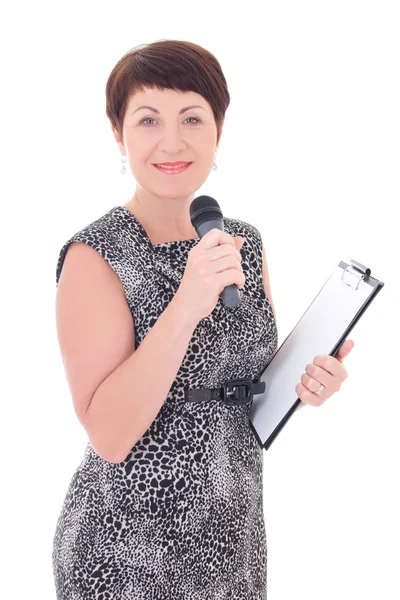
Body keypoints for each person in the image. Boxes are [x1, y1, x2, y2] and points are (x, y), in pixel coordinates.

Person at [52, 38, 318, 599]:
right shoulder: (95, 255)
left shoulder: (241, 242)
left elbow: (251, 393)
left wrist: (307, 380)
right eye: (148, 119)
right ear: (117, 133)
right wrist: (186, 303)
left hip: (232, 538)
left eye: (192, 118)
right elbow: (110, 434)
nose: (172, 141)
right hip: (126, 552)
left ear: (219, 129)